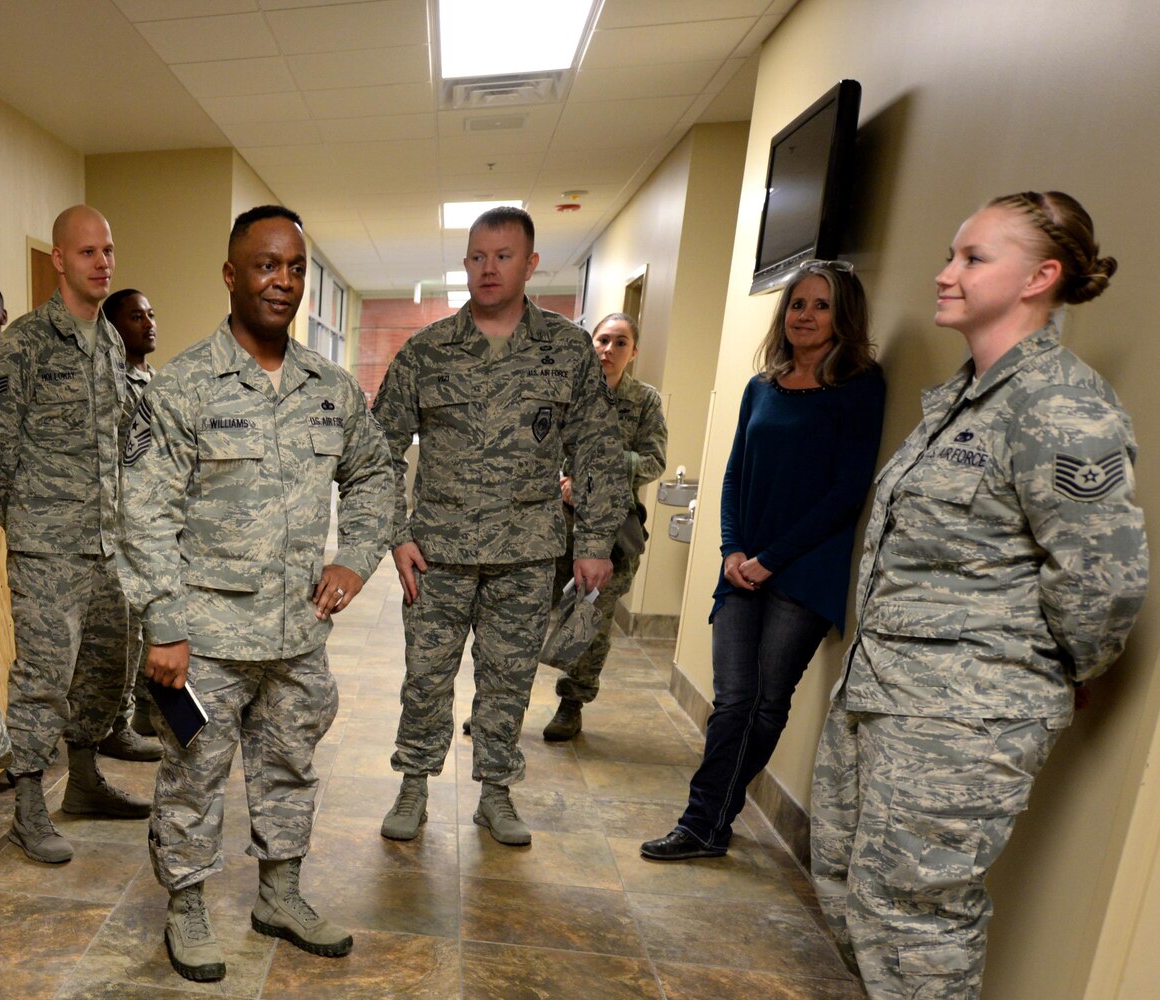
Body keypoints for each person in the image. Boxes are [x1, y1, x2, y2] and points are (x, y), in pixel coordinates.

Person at [792, 192, 1144, 1000]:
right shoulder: (963, 398)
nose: (947, 273)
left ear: (1040, 278)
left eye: (974, 259)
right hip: (890, 683)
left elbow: (1103, 584)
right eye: (952, 254)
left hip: (968, 706)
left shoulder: (1062, 408)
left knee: (917, 885)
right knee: (846, 864)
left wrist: (1024, 675)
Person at [122, 205, 397, 981]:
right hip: (204, 640)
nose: (282, 282)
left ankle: (280, 895)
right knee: (193, 775)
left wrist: (357, 560)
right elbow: (143, 511)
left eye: (295, 268)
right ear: (231, 274)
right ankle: (186, 908)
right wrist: (164, 624)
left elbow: (375, 476)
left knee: (289, 769)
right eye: (266, 265)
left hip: (297, 632)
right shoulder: (182, 388)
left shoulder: (329, 388)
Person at [372, 206, 623, 848]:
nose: (489, 268)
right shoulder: (426, 352)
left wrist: (594, 542)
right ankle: (413, 785)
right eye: (478, 257)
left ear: (530, 264)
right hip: (438, 554)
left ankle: (496, 793)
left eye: (504, 256)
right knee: (426, 678)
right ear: (465, 265)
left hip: (526, 553)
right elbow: (377, 450)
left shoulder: (566, 349)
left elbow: (596, 447)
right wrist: (395, 534)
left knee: (508, 678)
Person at [641, 263, 885, 862]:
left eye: (820, 305)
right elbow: (734, 477)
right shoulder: (762, 386)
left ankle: (705, 821)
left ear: (843, 316)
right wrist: (731, 551)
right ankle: (706, 821)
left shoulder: (860, 387)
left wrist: (771, 560)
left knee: (767, 703)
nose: (804, 315)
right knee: (734, 700)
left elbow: (846, 491)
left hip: (804, 573)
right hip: (742, 570)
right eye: (797, 303)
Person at [0, 205, 149, 863]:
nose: (102, 262)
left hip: (106, 544)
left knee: (103, 670)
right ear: (59, 260)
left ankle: (87, 782)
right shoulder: (25, 345)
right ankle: (27, 806)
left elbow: (120, 443)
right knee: (44, 679)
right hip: (48, 551)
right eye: (88, 252)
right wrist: (29, 523)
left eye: (108, 250)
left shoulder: (108, 341)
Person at [542, 313, 669, 741]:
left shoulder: (644, 401)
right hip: (551, 527)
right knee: (522, 618)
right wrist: (562, 478)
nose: (608, 350)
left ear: (633, 353)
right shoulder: (565, 392)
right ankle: (505, 704)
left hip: (611, 534)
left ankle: (571, 704)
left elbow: (652, 460)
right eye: (602, 340)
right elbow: (539, 448)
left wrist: (593, 472)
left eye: (620, 343)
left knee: (587, 624)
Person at [101, 285, 165, 755]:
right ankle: (116, 723)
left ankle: (147, 708)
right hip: (119, 526)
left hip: (154, 524)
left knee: (153, 620)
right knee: (122, 633)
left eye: (151, 313)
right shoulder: (109, 384)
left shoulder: (157, 382)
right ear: (113, 328)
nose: (149, 323)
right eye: (136, 316)